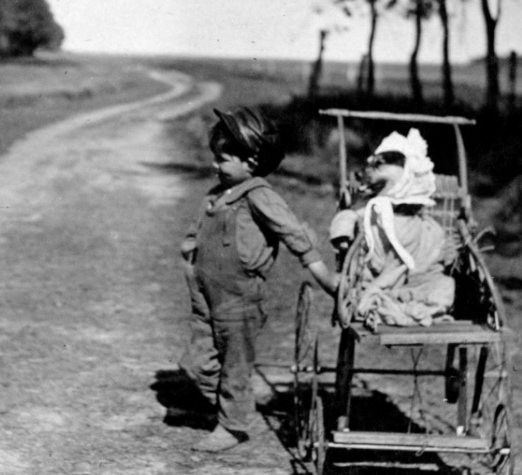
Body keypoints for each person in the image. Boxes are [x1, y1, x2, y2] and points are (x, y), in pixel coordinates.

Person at [178, 107, 337, 452]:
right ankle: (227, 406)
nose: (215, 165)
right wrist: (190, 247)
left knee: (235, 363)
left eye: (223, 159)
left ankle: (232, 425)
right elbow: (199, 228)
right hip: (205, 294)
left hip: (240, 297)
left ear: (250, 162)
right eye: (215, 158)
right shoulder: (216, 194)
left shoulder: (260, 196)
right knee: (196, 362)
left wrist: (323, 275)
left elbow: (293, 233)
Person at [329, 129, 456, 330]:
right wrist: (343, 229)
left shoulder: (419, 225)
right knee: (365, 290)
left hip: (413, 282)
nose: (369, 170)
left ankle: (398, 306)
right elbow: (349, 216)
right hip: (375, 279)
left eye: (379, 165)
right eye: (372, 164)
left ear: (406, 175)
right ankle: (382, 302)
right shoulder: (370, 213)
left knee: (445, 286)